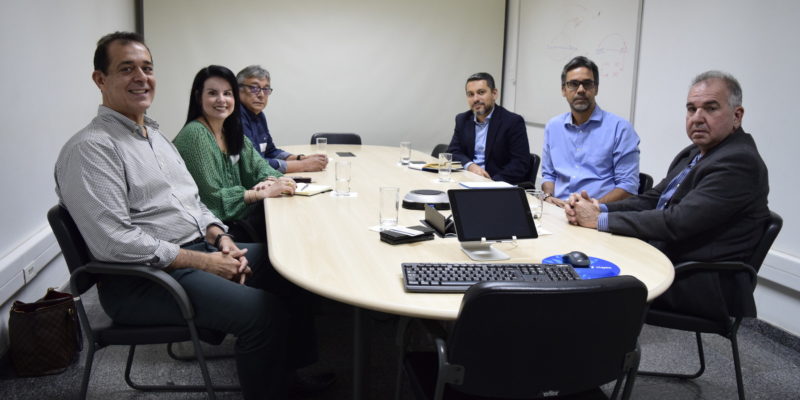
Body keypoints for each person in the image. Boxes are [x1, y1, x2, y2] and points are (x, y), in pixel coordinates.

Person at [54, 32, 321, 399]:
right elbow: (114, 243)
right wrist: (206, 263)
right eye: (126, 69)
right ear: (100, 79)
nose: (141, 77)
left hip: (194, 252)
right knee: (263, 314)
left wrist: (222, 239)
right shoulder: (92, 149)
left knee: (290, 269)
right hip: (143, 281)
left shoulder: (155, 138)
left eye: (147, 68)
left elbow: (193, 202)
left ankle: (289, 377)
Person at [565, 71, 770, 318]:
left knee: (589, 286)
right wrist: (600, 208)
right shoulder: (695, 152)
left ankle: (602, 342)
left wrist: (598, 220)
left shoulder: (739, 162)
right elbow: (653, 199)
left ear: (737, 116)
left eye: (710, 108)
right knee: (577, 265)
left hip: (698, 279)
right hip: (668, 257)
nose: (697, 118)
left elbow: (677, 221)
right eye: (691, 109)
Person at [173, 65, 295, 243]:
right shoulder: (196, 134)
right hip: (213, 232)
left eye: (227, 93)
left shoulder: (230, 131)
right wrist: (258, 194)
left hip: (237, 220)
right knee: (286, 232)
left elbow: (259, 167)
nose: (221, 100)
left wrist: (269, 180)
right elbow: (212, 201)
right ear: (199, 97)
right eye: (213, 93)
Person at [541, 56, 640, 207]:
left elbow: (628, 187)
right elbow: (549, 175)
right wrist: (548, 196)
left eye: (587, 84)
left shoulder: (620, 129)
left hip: (597, 213)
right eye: (573, 84)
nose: (581, 90)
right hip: (557, 209)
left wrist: (591, 208)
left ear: (596, 89)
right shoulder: (553, 127)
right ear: (563, 90)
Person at [237, 65, 328, 173]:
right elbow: (253, 165)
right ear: (237, 90)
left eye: (266, 89)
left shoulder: (258, 114)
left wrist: (301, 158)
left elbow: (270, 151)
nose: (261, 95)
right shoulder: (236, 115)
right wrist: (303, 165)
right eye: (254, 88)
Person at [446, 72, 530, 183]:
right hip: (468, 181)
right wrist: (470, 166)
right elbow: (453, 152)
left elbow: (520, 163)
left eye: (481, 92)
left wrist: (491, 183)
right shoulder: (462, 119)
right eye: (470, 94)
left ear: (494, 94)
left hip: (497, 183)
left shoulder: (512, 122)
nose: (475, 99)